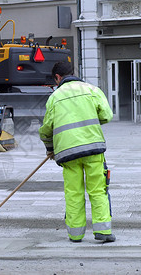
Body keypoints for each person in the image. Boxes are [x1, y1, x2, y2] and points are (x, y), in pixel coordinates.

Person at [39, 61, 116, 243]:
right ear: (73, 72)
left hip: (67, 153)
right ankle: (103, 231)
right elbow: (106, 115)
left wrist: (50, 149)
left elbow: (46, 129)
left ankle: (75, 234)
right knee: (98, 190)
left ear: (58, 78)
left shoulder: (55, 97)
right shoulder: (92, 90)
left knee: (73, 193)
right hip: (93, 149)